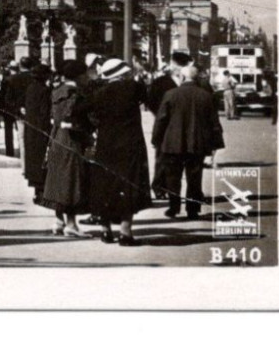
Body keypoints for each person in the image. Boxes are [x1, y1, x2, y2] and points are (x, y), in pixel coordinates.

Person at [85, 57, 153, 246]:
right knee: (128, 185)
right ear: (123, 73)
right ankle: (125, 232)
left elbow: (86, 113)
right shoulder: (133, 88)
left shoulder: (99, 93)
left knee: (105, 185)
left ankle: (105, 231)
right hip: (131, 144)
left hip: (106, 144)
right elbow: (148, 97)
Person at [152, 64, 225, 220]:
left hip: (172, 143)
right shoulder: (206, 96)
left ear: (182, 77)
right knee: (194, 178)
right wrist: (216, 144)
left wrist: (156, 139)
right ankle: (193, 209)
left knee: (173, 177)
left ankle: (173, 208)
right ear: (196, 78)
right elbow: (214, 122)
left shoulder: (170, 94)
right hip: (197, 143)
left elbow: (161, 120)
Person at [40, 59, 93, 236]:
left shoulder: (56, 92)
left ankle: (58, 221)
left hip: (56, 138)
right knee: (71, 180)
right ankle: (71, 224)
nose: (87, 77)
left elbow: (54, 117)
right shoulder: (77, 94)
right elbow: (77, 119)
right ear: (78, 76)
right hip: (72, 139)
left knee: (57, 179)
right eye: (85, 73)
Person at [22, 60, 54, 204]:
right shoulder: (45, 90)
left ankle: (36, 191)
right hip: (41, 129)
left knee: (33, 160)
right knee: (42, 159)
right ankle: (41, 192)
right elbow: (44, 112)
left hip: (30, 129)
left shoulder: (30, 88)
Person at [0, 62, 29, 158]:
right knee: (22, 131)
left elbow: (2, 96)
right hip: (20, 108)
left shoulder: (6, 80)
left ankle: (9, 151)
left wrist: (0, 108)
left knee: (8, 131)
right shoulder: (23, 79)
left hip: (8, 108)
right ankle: (22, 150)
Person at [144, 51, 188, 116]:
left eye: (181, 66)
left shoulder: (191, 82)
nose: (178, 68)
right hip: (167, 122)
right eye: (176, 65)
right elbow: (152, 102)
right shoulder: (159, 82)